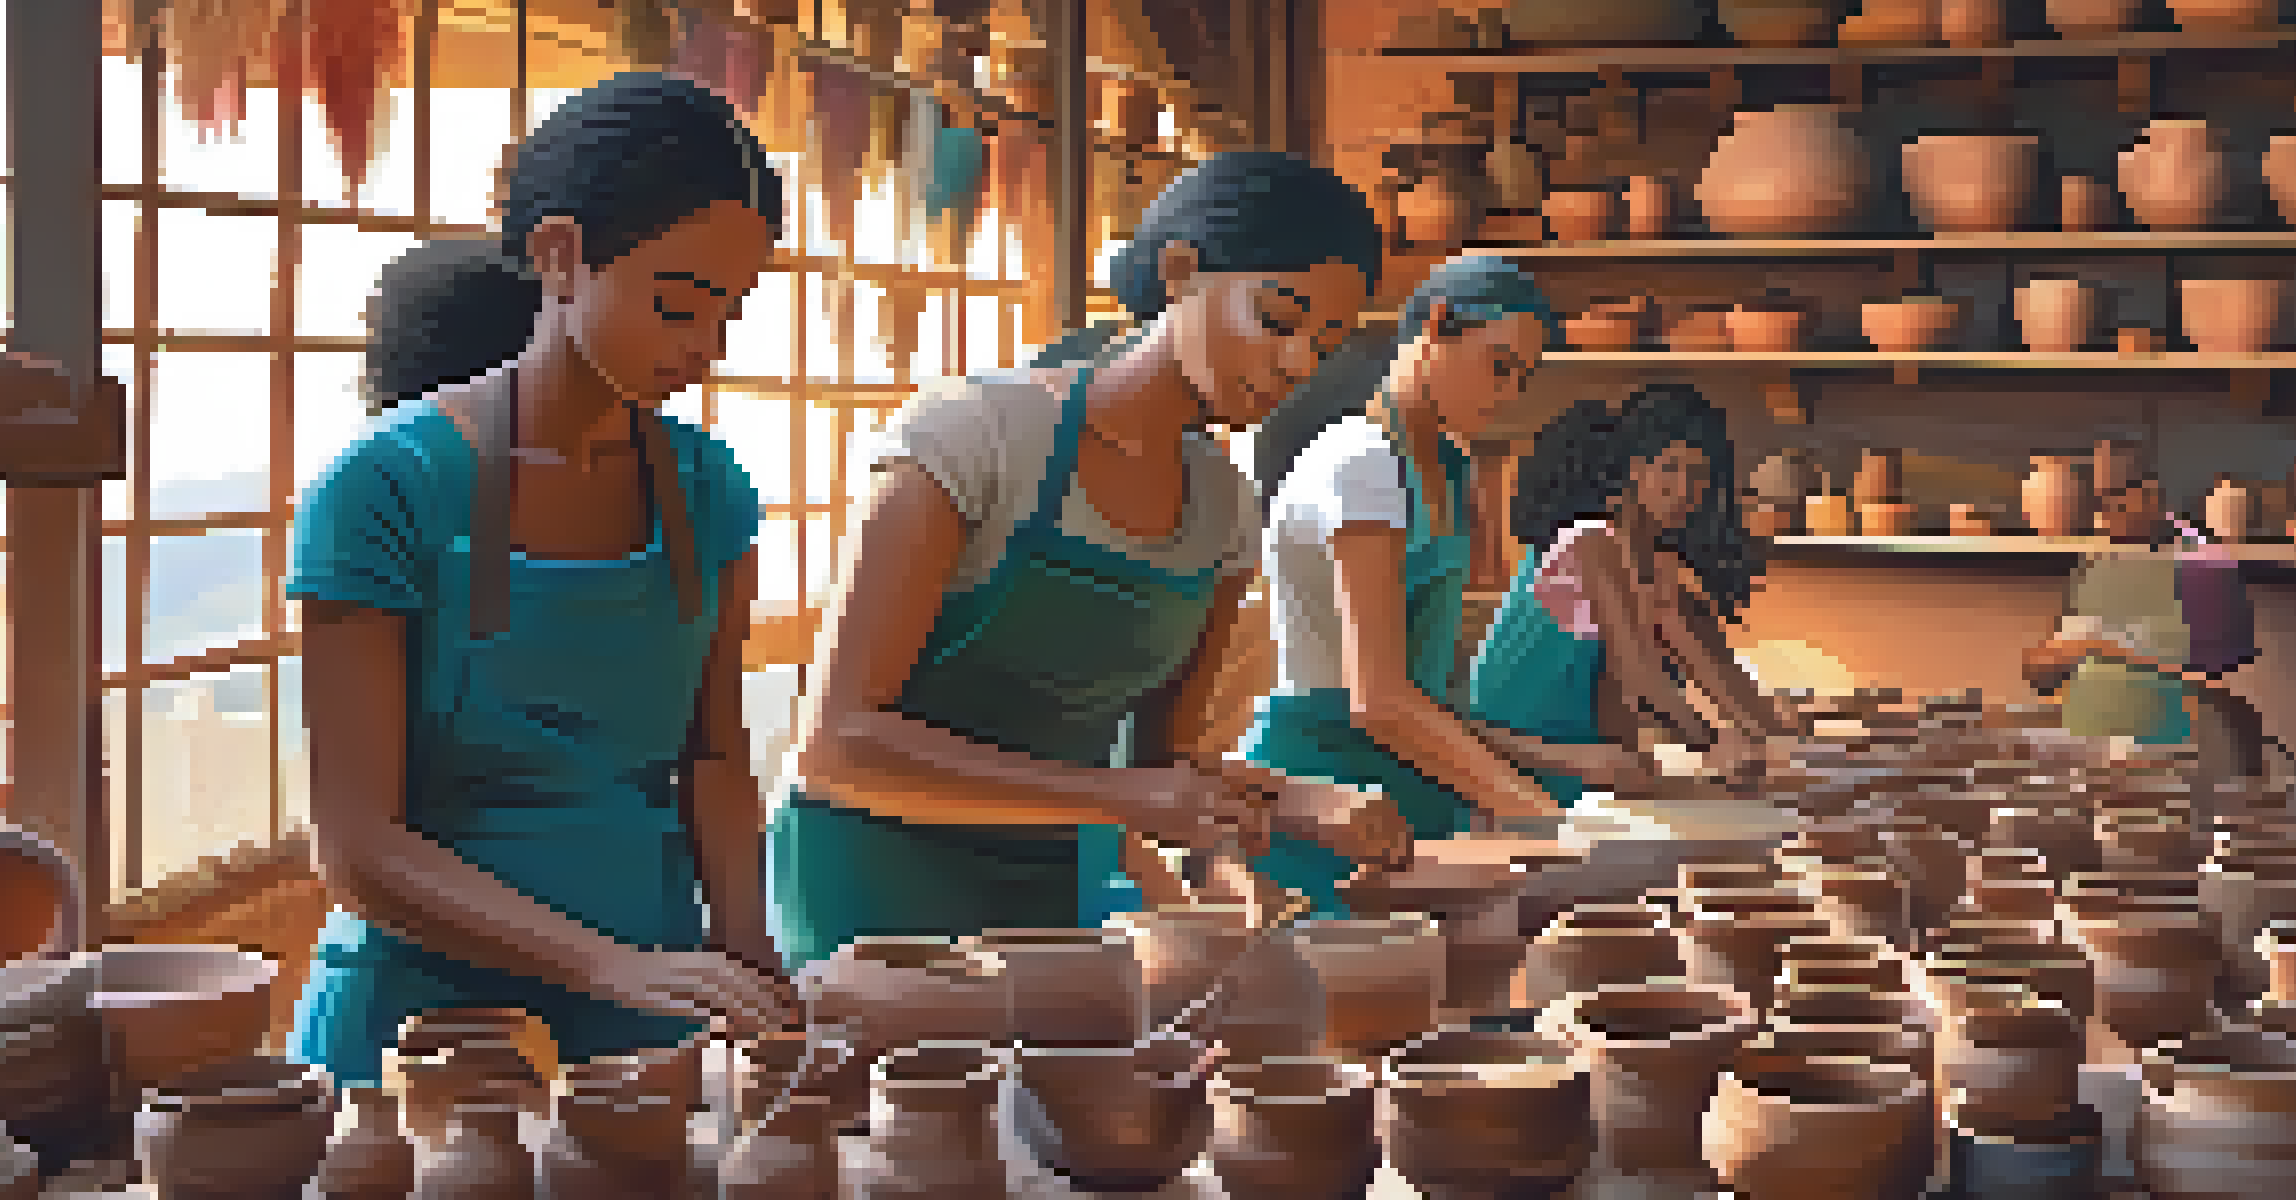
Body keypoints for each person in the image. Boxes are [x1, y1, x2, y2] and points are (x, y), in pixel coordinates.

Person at [769, 150, 1413, 968]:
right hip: (866, 892)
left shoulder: (1224, 509)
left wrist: (1249, 842)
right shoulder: (970, 437)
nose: (1295, 365)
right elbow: (835, 748)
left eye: (1323, 347)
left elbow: (1166, 763)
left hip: (1043, 893)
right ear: (1180, 272)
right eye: (1279, 319)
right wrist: (1119, 798)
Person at [286, 73, 794, 1090]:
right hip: (418, 1044)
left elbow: (712, 757)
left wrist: (747, 955)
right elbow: (354, 845)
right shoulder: (383, 490)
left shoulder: (710, 493)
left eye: (729, 313)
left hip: (653, 1033)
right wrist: (608, 965)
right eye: (677, 304)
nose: (705, 348)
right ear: (561, 256)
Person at [1219, 256, 1661, 922]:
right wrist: (1538, 816)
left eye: (1522, 377)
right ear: (1435, 327)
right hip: (1324, 799)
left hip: (1411, 793)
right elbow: (1382, 703)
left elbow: (1427, 699)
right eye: (1498, 364)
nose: (1508, 393)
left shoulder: (1451, 468)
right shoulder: (1361, 464)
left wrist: (1567, 762)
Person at [1472, 382, 1795, 806]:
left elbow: (1717, 673)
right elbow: (1642, 674)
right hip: (1518, 753)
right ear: (1633, 470)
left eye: (1698, 475)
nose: (1683, 490)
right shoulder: (1592, 541)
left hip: (1593, 755)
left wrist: (1778, 739)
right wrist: (1713, 743)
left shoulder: (1657, 567)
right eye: (1670, 468)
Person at [2021, 520, 2270, 779]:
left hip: (2160, 762)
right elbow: (2041, 675)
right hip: (2090, 759)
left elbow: (2220, 696)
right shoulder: (2093, 598)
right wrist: (2064, 653)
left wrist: (2110, 651)